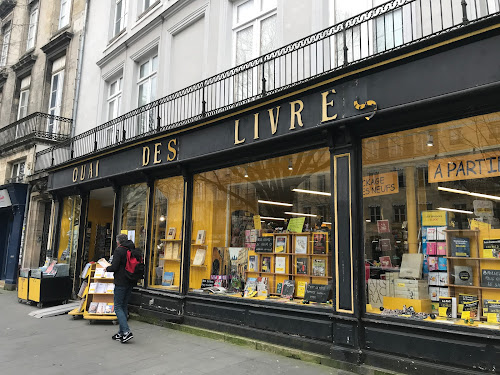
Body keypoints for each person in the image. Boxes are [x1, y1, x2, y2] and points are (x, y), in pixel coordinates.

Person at [106, 233, 137, 343]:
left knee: (118, 306)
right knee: (123, 305)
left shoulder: (119, 251)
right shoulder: (132, 249)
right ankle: (121, 332)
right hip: (130, 281)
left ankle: (126, 331)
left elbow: (114, 267)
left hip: (121, 281)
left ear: (118, 241)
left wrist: (107, 268)